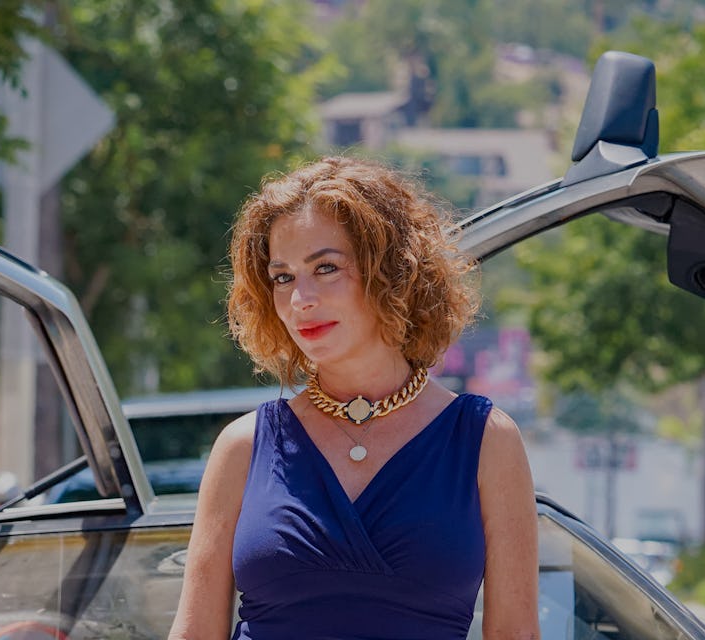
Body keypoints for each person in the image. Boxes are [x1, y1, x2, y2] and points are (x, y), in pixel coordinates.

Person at [171, 156, 540, 639]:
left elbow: (516, 633)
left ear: (393, 272)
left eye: (326, 268)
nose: (300, 299)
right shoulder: (243, 446)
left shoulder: (486, 441)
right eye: (282, 277)